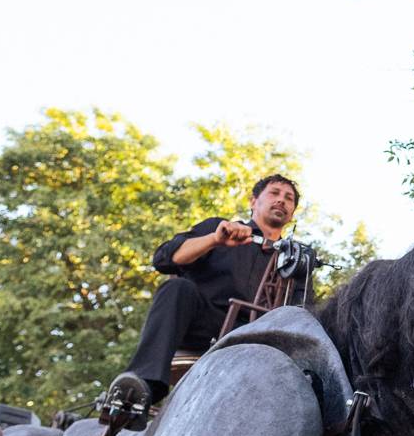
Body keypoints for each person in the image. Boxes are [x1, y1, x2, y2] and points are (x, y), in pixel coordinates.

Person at [102, 173, 304, 418]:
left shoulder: (294, 263)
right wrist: (214, 240)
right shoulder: (219, 228)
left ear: (292, 214)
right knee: (177, 288)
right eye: (274, 193)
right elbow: (165, 259)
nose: (281, 200)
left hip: (256, 341)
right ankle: (140, 389)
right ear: (253, 201)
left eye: (289, 198)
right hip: (203, 326)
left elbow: (303, 314)